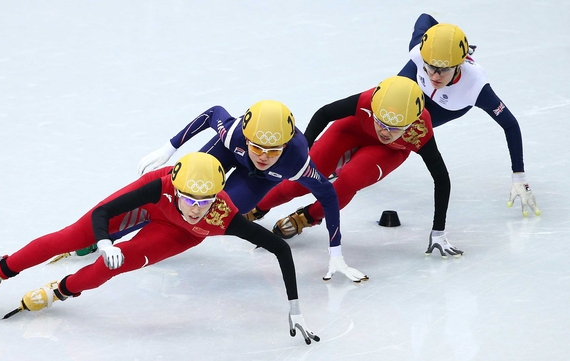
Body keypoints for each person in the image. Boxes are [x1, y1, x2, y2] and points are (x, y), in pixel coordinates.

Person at [0, 152, 319, 345]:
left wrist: (294, 308)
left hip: (181, 235)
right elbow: (105, 212)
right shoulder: (162, 186)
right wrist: (103, 240)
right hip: (153, 207)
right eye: (190, 198)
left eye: (205, 202)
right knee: (71, 237)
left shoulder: (223, 216)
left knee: (116, 266)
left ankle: (61, 290)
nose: (196, 207)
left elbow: (280, 251)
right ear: (177, 185)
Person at [136, 100, 366, 282]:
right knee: (183, 189)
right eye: (256, 147)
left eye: (273, 150)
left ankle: (150, 238)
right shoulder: (232, 132)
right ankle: (114, 226)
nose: (263, 156)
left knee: (221, 210)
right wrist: (169, 148)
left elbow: (327, 195)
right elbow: (212, 113)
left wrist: (336, 251)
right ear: (246, 138)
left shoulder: (297, 161)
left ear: (285, 145)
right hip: (228, 152)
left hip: (259, 179)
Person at [245, 76, 463, 260]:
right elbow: (324, 113)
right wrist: (305, 149)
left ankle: (307, 217)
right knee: (303, 178)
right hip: (353, 129)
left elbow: (441, 178)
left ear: (412, 124)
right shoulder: (366, 101)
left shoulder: (421, 130)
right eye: (381, 122)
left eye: (395, 128)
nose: (385, 132)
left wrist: (438, 231)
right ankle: (258, 206)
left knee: (350, 179)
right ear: (374, 110)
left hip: (389, 152)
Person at [398, 13, 540, 217]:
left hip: (446, 105)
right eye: (431, 68)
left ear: (459, 64)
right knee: (383, 109)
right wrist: (445, 41)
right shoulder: (419, 52)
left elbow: (510, 124)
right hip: (414, 79)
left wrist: (519, 175)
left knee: (402, 132)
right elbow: (425, 18)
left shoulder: (476, 87)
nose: (435, 76)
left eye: (444, 70)